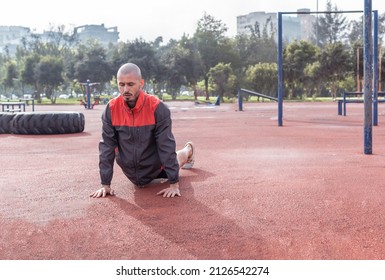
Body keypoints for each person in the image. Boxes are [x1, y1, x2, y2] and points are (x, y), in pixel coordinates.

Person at [90, 63, 194, 199]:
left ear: (141, 83)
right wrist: (105, 184)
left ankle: (188, 150)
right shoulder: (111, 109)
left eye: (130, 84)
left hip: (157, 166)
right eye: (121, 84)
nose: (125, 89)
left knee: (176, 159)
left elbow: (165, 145)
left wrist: (174, 183)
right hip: (131, 171)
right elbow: (106, 147)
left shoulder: (157, 108)